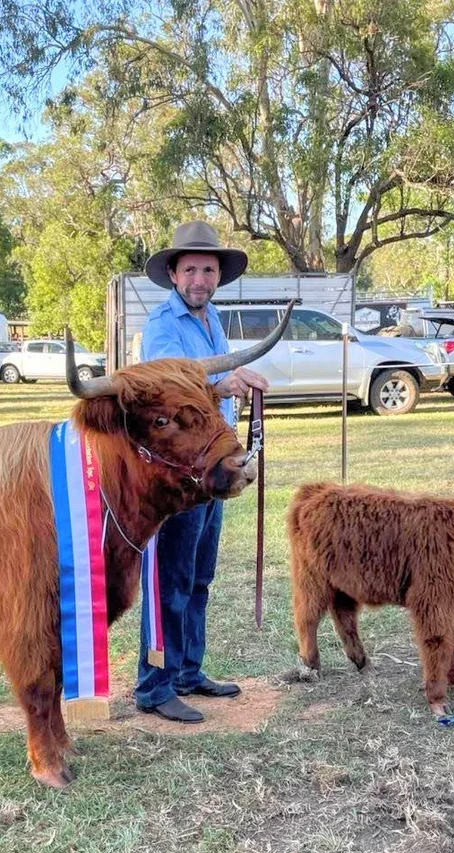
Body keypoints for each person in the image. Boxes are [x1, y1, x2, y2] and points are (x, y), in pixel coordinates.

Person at [135, 221, 269, 723]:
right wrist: (225, 380)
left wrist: (236, 386)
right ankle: (155, 684)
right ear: (173, 273)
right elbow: (169, 384)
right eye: (189, 268)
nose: (199, 278)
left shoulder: (211, 319)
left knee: (199, 576)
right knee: (171, 578)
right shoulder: (163, 324)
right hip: (177, 473)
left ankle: (189, 670)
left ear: (218, 277)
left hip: (213, 468)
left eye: (208, 269)